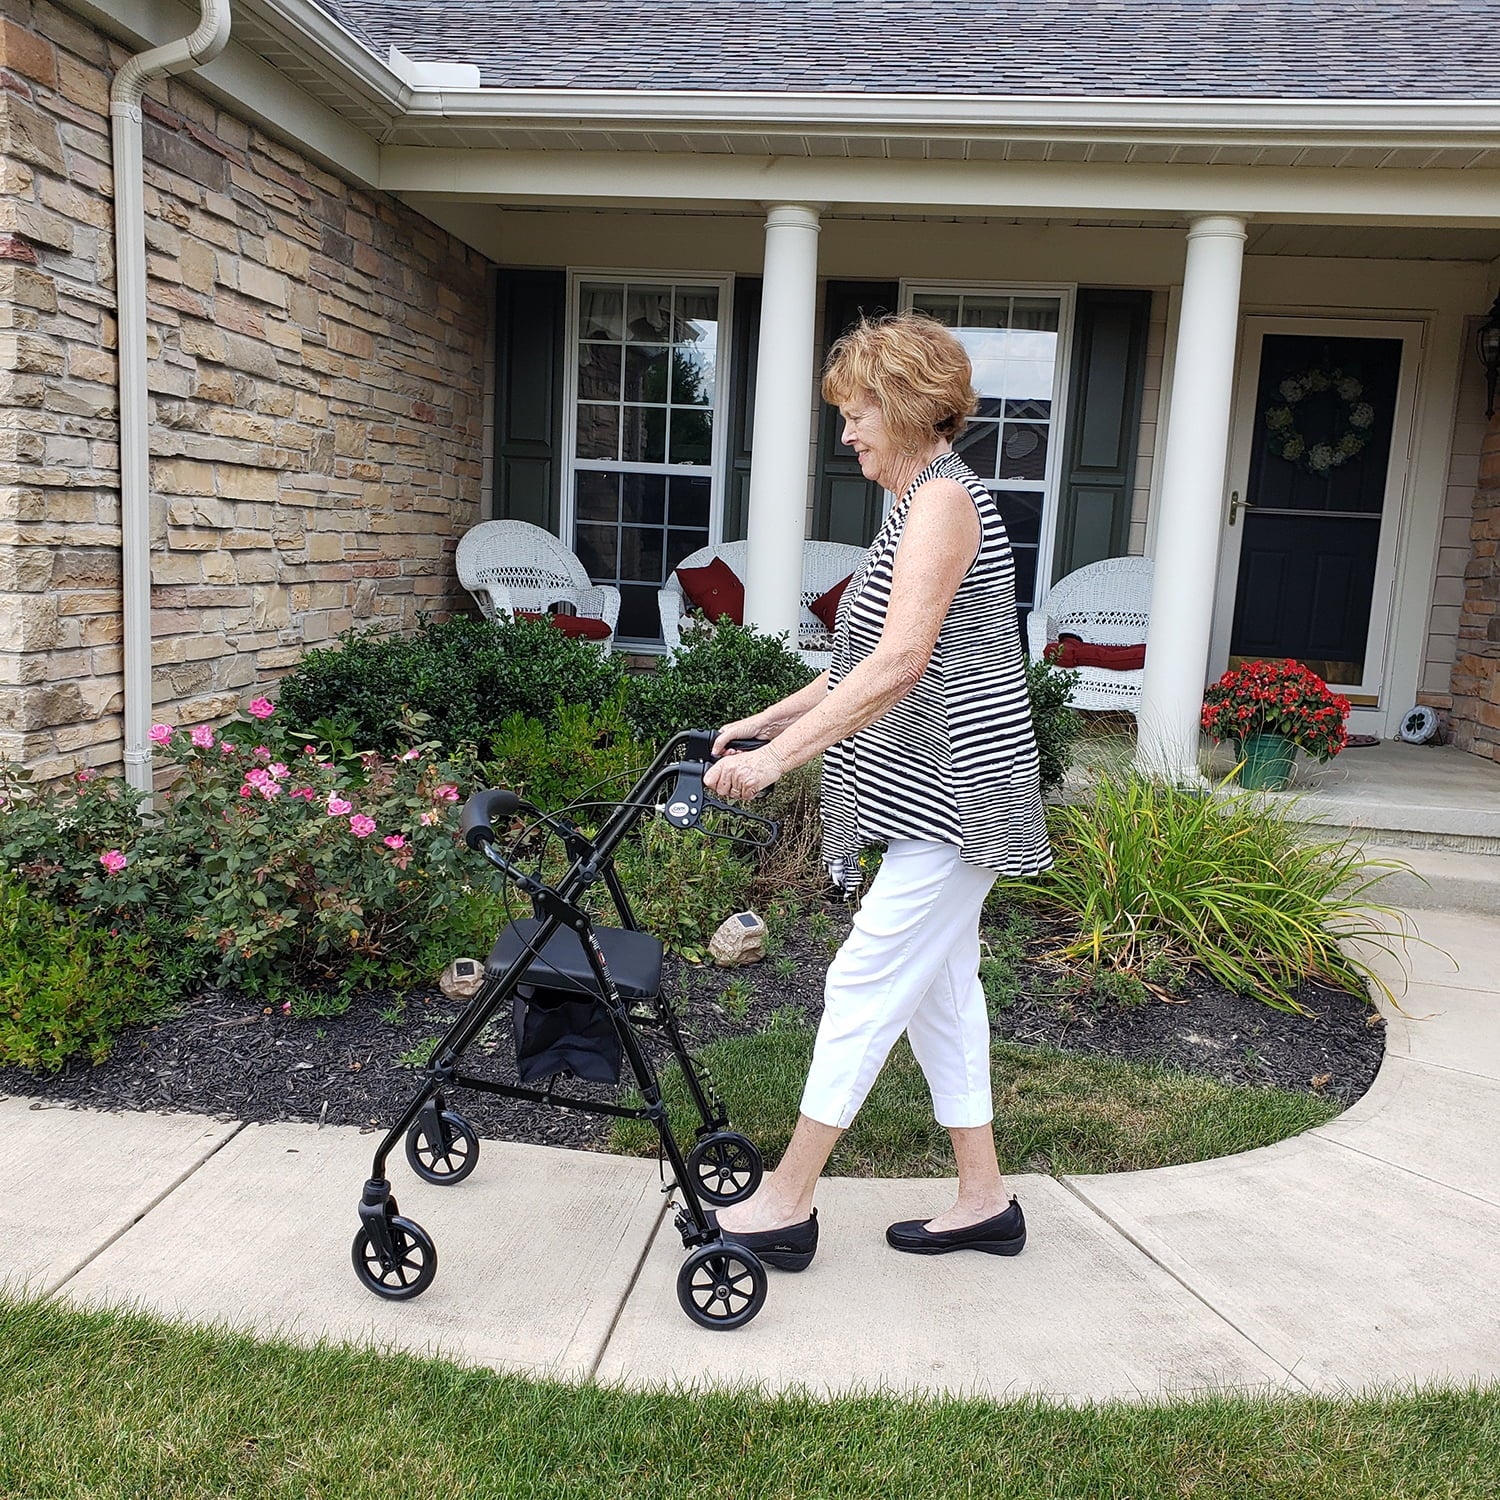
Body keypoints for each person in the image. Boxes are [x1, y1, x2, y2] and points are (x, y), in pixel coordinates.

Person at [702, 312, 1053, 1270]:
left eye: (859, 412)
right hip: (934, 795)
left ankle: (787, 1198)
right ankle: (985, 1202)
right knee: (942, 995)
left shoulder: (944, 502)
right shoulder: (911, 504)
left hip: (963, 792)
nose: (847, 431)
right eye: (844, 413)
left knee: (862, 980)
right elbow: (859, 658)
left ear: (904, 407)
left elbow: (902, 662)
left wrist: (779, 764)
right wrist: (769, 719)